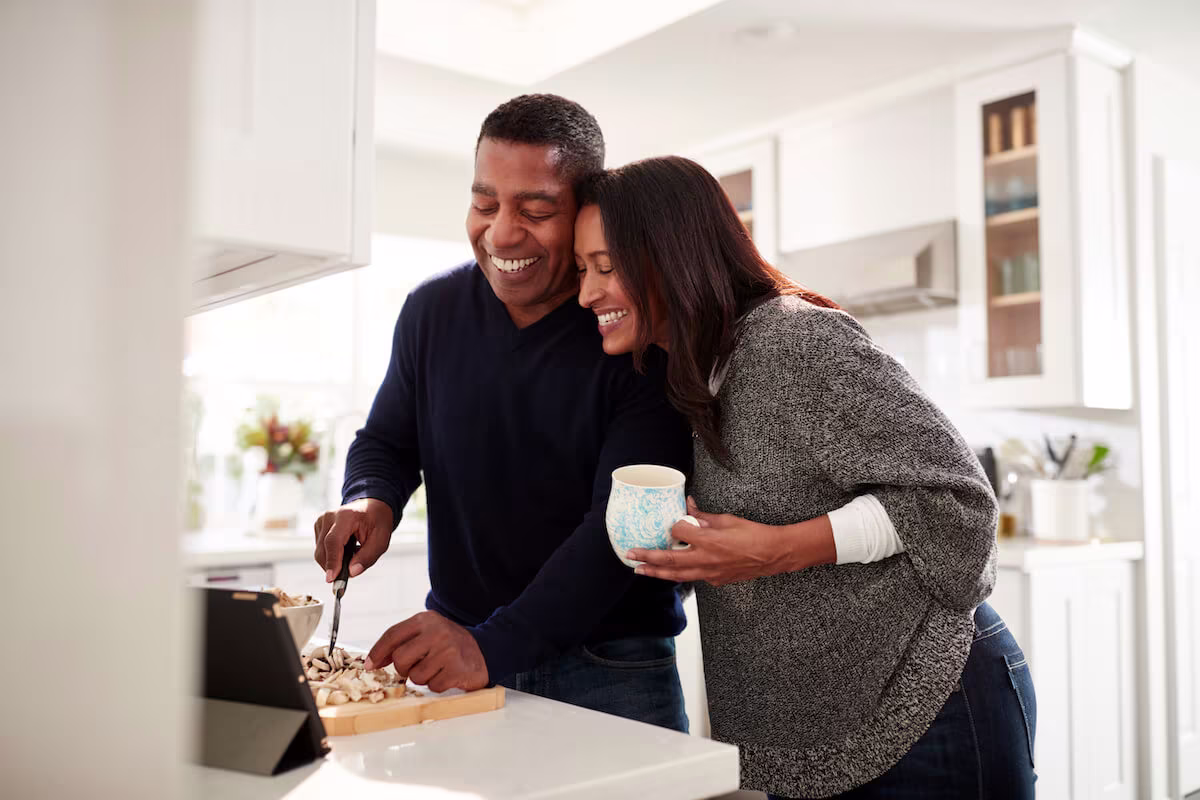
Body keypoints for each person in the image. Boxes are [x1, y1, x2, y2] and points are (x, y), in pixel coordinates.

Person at [574, 155, 1037, 798]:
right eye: (581, 270)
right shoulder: (689, 377)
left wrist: (773, 551)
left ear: (669, 253)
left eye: (605, 267)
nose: (586, 293)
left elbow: (954, 500)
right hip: (818, 733)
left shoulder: (794, 341)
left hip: (926, 706)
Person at [311, 96, 693, 732]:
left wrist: (493, 646)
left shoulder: (632, 327)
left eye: (536, 210)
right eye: (485, 204)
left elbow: (619, 530)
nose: (502, 233)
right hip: (461, 654)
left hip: (609, 668)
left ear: (586, 213)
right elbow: (387, 440)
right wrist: (370, 499)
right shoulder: (430, 311)